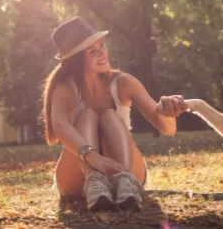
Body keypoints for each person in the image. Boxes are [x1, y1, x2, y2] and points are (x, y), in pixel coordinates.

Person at [41, 16, 187, 211]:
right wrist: (93, 158)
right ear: (76, 61)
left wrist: (169, 110)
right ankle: (94, 182)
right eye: (92, 52)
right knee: (86, 116)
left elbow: (167, 129)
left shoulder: (123, 82)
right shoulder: (65, 89)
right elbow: (60, 126)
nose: (103, 53)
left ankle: (125, 181)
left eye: (102, 45)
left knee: (110, 115)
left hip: (125, 166)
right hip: (78, 176)